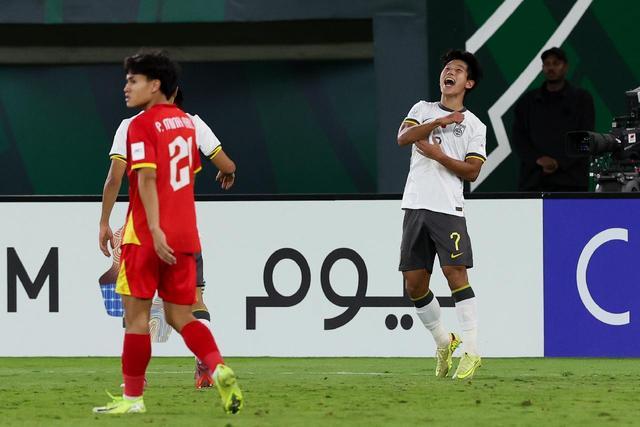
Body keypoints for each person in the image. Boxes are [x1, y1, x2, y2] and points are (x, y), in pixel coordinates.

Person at [93, 50, 243, 415]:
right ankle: (217, 366)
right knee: (182, 316)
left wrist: (141, 227)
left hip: (146, 236)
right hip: (185, 236)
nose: (126, 87)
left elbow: (144, 179)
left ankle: (133, 399)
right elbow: (212, 167)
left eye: (133, 80)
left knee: (137, 319)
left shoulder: (138, 125)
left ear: (155, 85)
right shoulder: (188, 125)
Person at [397, 49, 485, 380]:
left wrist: (437, 154)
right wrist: (438, 122)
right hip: (415, 204)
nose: (450, 72)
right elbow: (403, 138)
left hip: (448, 208)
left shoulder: (475, 125)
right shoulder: (422, 109)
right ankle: (444, 341)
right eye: (447, 68)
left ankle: (472, 350)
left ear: (468, 83)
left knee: (455, 273)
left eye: (458, 70)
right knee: (414, 285)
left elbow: (472, 171)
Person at [512, 46, 595, 191]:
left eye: (556, 63)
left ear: (565, 67)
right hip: (534, 182)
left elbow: (585, 137)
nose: (551, 68)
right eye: (547, 64)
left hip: (572, 182)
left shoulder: (582, 99)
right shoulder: (528, 102)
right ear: (543, 68)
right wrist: (538, 159)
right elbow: (519, 138)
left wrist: (559, 162)